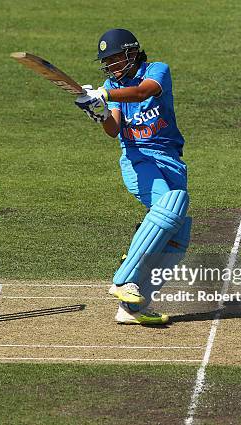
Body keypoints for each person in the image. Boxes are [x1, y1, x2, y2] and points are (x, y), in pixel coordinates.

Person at [75, 29, 192, 325]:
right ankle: (123, 280)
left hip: (170, 159)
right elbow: (114, 129)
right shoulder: (111, 84)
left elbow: (144, 92)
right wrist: (100, 112)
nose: (111, 66)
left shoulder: (157, 71)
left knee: (178, 235)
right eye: (107, 61)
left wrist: (104, 94)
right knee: (173, 202)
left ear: (131, 53)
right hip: (137, 160)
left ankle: (131, 311)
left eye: (115, 58)